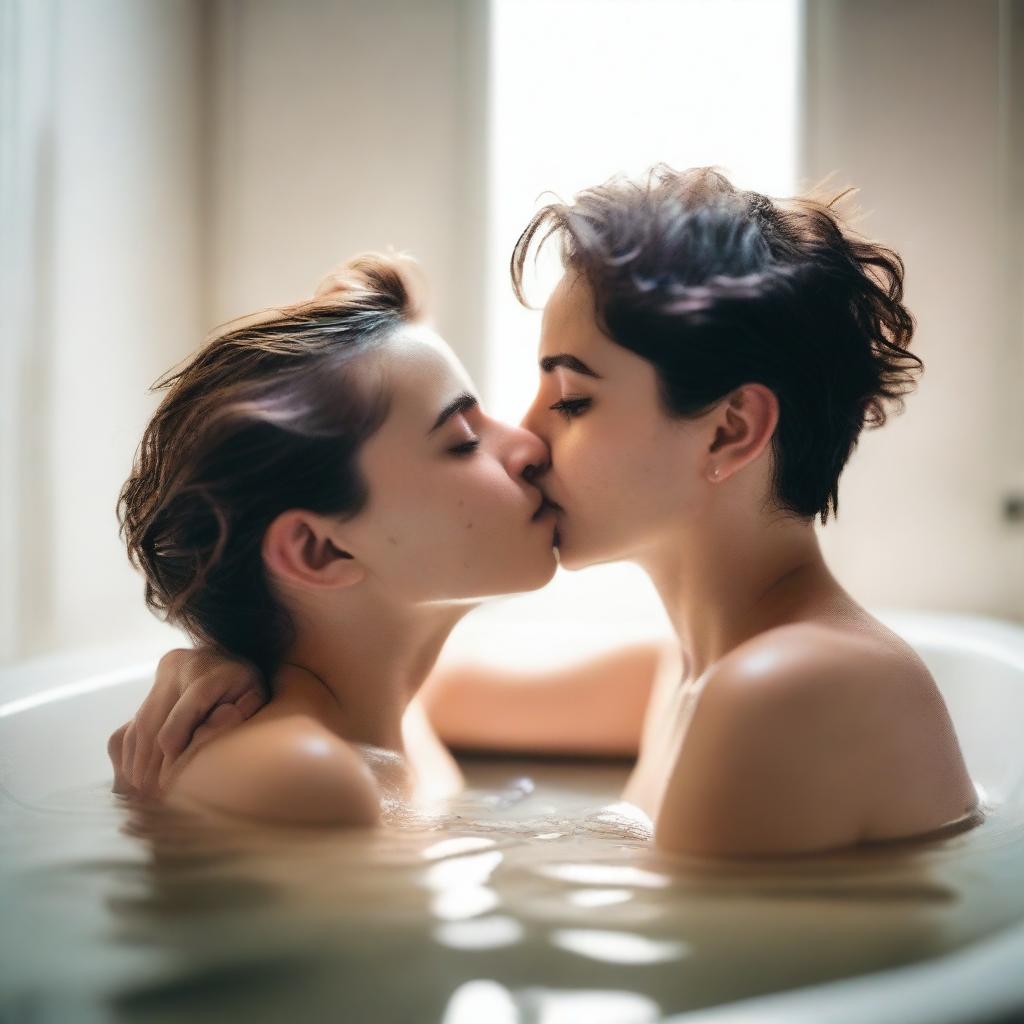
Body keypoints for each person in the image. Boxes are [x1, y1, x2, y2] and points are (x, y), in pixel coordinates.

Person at [110, 165, 979, 857]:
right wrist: (227, 662)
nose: (526, 440)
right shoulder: (698, 665)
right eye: (465, 434)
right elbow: (383, 689)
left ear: (730, 430)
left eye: (571, 400)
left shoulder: (777, 693)